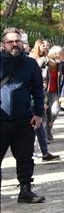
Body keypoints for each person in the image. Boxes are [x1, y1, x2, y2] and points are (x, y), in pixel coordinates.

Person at [1, 27, 47, 203]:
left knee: (25, 157)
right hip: (1, 119)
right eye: (10, 41)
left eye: (17, 41)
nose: (14, 44)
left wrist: (39, 113)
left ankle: (25, 191)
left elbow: (37, 89)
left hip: (24, 118)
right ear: (3, 44)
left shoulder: (30, 63)